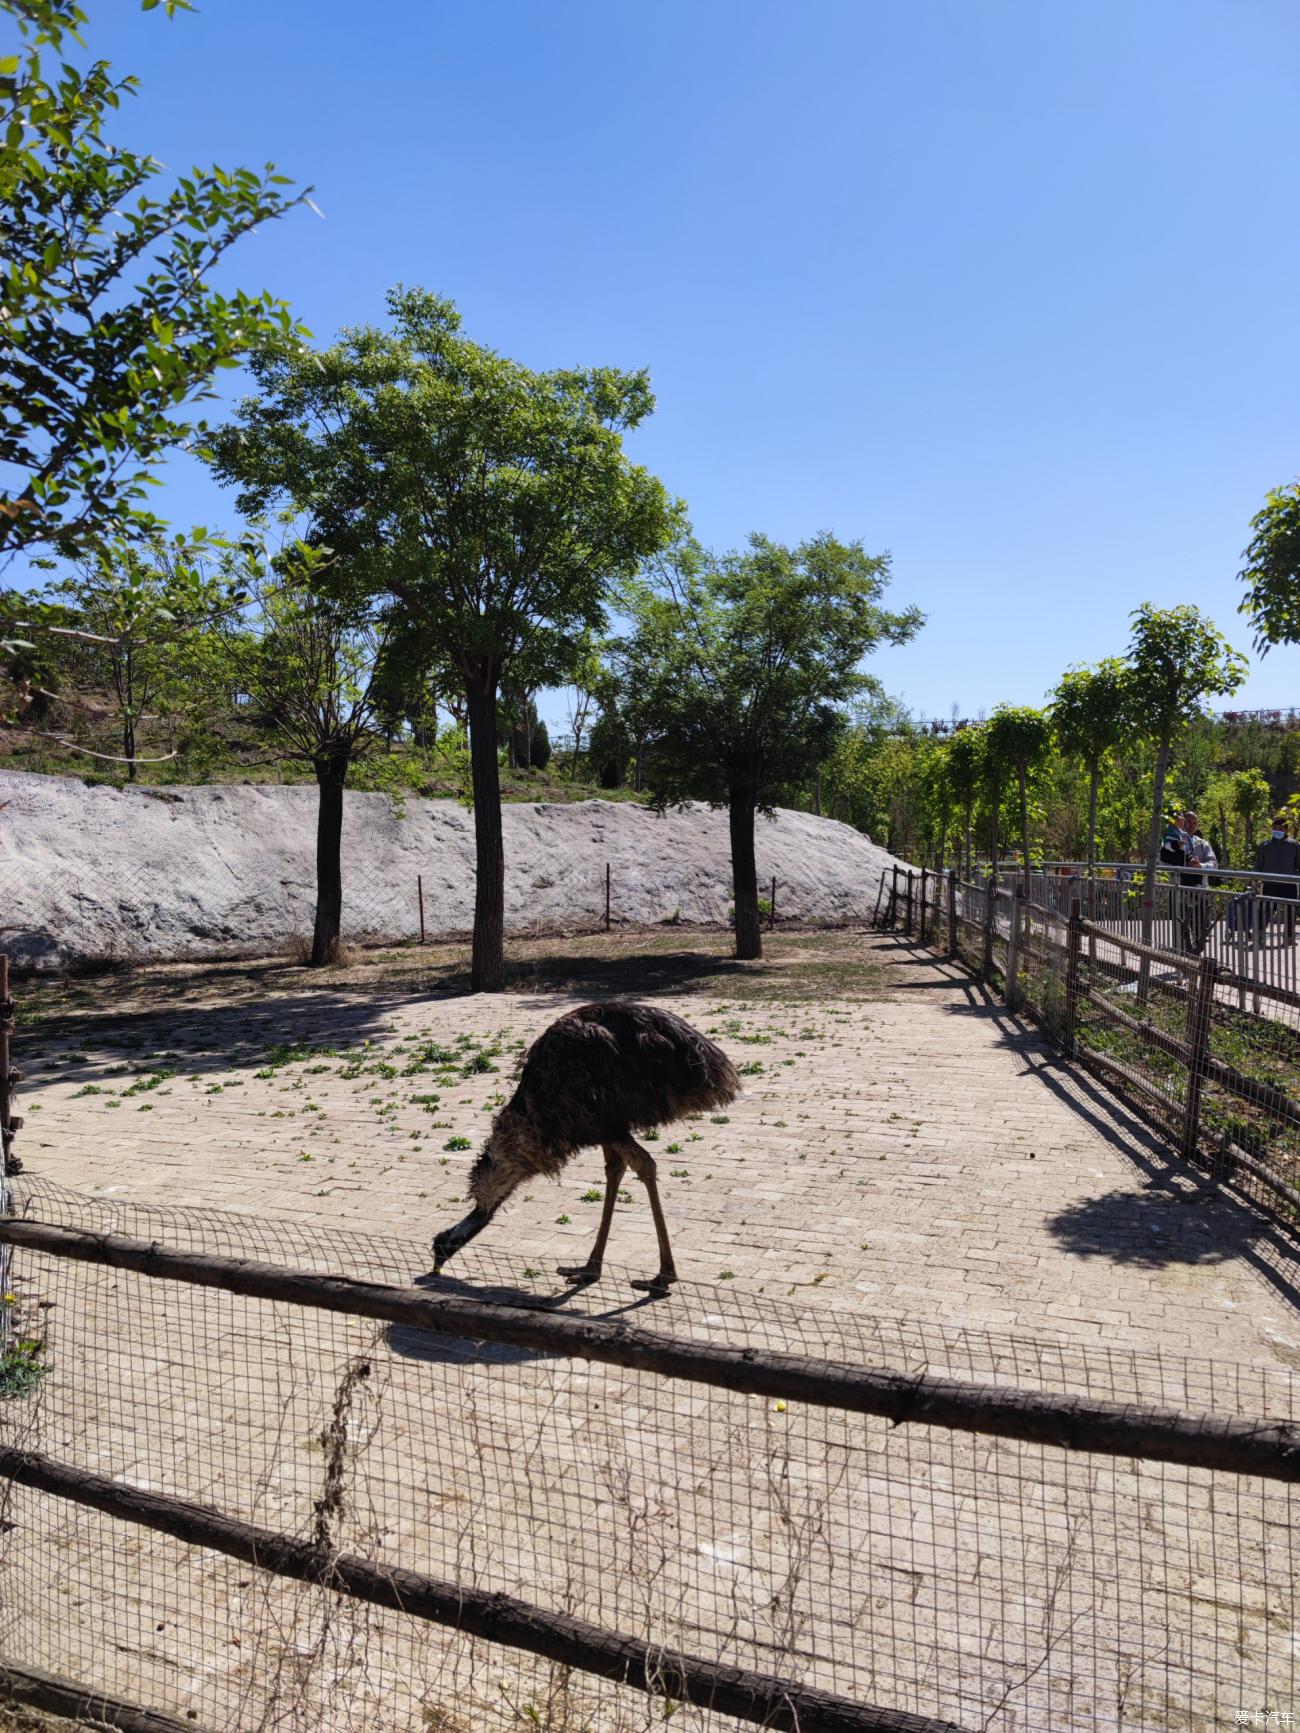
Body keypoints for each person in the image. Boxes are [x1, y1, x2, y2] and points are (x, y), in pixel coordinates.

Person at [1254, 815, 1300, 941]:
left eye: (1280, 828)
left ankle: (1289, 935)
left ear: (1286, 830)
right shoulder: (1265, 845)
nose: (1277, 830)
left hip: (1289, 884)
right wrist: (1254, 882)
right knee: (1265, 910)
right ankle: (1259, 934)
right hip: (1269, 884)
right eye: (1274, 828)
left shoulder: (1294, 845)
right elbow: (1258, 866)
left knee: (1291, 910)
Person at [1176, 811, 1217, 954]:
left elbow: (1214, 863)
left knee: (1202, 929)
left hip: (1201, 891)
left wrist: (1200, 866)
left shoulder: (1202, 843)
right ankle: (1183, 959)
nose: (1192, 825)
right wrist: (1185, 864)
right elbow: (1163, 861)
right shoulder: (1173, 841)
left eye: (1195, 822)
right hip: (1181, 892)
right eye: (1188, 822)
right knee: (1182, 929)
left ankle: (1195, 959)